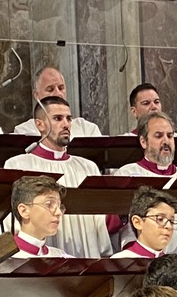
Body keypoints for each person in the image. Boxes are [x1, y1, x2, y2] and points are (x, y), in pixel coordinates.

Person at [8, 96, 108, 256]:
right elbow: (14, 220)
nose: (66, 124)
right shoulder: (18, 165)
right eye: (57, 118)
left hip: (85, 248)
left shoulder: (88, 167)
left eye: (68, 119)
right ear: (39, 124)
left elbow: (101, 220)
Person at [115, 111, 177, 253]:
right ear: (143, 142)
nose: (166, 141)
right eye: (158, 136)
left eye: (170, 136)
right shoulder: (127, 175)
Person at [14, 71, 103, 137]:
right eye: (50, 89)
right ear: (36, 95)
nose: (58, 94)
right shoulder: (23, 131)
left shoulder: (87, 129)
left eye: (61, 88)